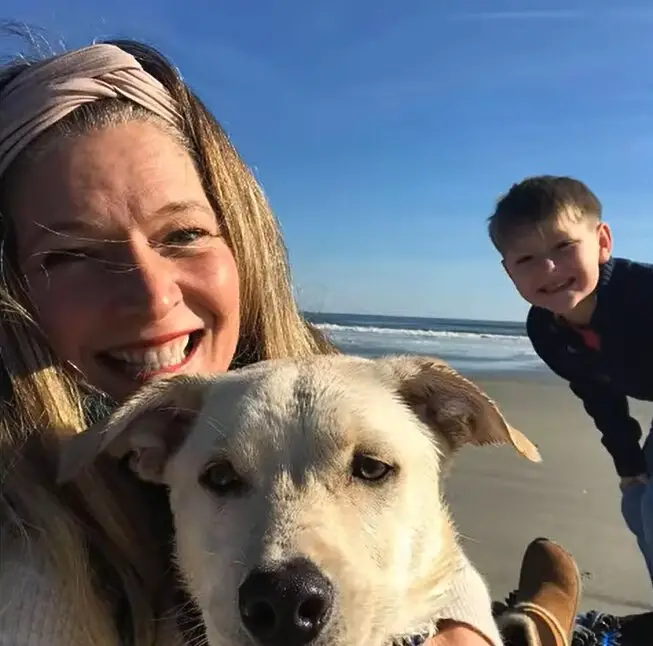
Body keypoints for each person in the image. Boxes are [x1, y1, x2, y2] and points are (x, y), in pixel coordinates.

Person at [0, 38, 578, 646]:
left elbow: (428, 548)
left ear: (240, 235)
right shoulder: (26, 566)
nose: (151, 295)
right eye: (71, 255)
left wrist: (463, 625)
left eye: (185, 232)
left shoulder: (299, 378)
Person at [488, 175, 653, 589]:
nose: (548, 268)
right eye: (526, 260)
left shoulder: (644, 295)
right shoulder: (547, 330)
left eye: (564, 247)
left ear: (601, 242)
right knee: (636, 503)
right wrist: (629, 463)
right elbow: (598, 394)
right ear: (509, 273)